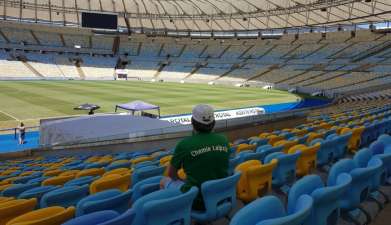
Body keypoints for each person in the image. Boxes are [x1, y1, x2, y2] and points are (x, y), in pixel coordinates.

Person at [161, 104, 230, 210]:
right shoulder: (224, 139)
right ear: (213, 123)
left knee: (163, 181)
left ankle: (173, 214)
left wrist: (182, 181)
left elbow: (171, 174)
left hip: (196, 200)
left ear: (192, 122)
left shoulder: (184, 144)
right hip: (220, 195)